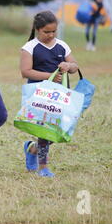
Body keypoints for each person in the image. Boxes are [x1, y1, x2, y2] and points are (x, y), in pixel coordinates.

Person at [20, 11, 79, 177]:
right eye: (47, 32)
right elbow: (25, 72)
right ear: (38, 29)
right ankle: (43, 167)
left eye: (54, 31)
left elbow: (75, 66)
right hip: (38, 95)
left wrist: (69, 66)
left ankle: (31, 149)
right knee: (44, 131)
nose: (51, 35)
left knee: (58, 131)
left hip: (60, 96)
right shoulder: (29, 48)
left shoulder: (62, 45)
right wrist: (50, 77)